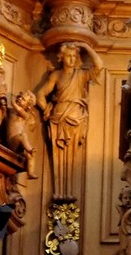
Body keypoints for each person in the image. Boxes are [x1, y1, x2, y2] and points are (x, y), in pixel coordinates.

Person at [36, 43, 102, 200]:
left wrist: (87, 47)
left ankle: (67, 191)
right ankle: (59, 191)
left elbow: (99, 66)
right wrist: (46, 109)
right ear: (61, 58)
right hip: (58, 118)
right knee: (58, 157)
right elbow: (40, 93)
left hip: (75, 116)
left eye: (74, 56)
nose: (72, 59)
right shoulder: (56, 76)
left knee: (71, 156)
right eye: (68, 56)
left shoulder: (81, 75)